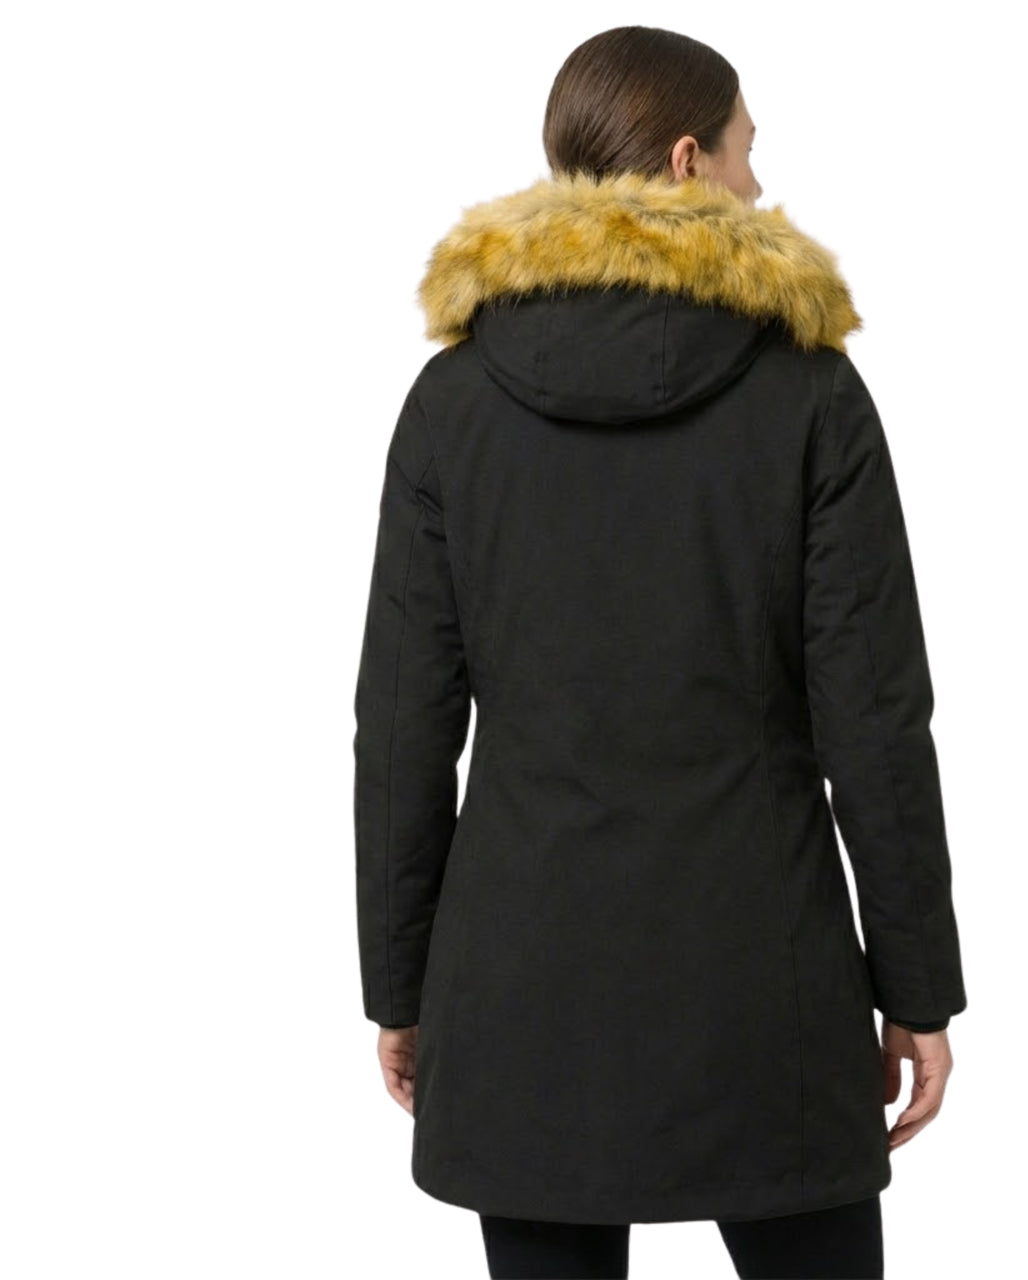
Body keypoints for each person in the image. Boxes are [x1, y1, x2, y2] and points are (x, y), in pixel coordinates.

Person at [352, 24, 968, 1280]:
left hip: (520, 985)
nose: (758, 182)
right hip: (765, 987)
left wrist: (402, 983)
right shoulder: (809, 393)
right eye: (745, 150)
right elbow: (873, 717)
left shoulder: (452, 404)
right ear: (686, 161)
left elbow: (404, 725)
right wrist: (916, 986)